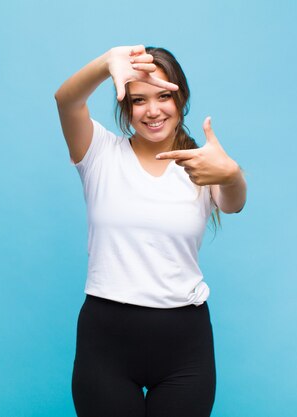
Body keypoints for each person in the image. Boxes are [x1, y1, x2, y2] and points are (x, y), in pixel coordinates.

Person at [54, 45, 247, 417]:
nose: (153, 110)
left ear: (182, 98)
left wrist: (232, 174)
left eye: (164, 96)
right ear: (126, 107)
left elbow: (234, 203)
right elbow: (65, 100)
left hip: (184, 344)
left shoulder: (202, 164)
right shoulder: (99, 153)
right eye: (139, 99)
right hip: (106, 342)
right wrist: (108, 62)